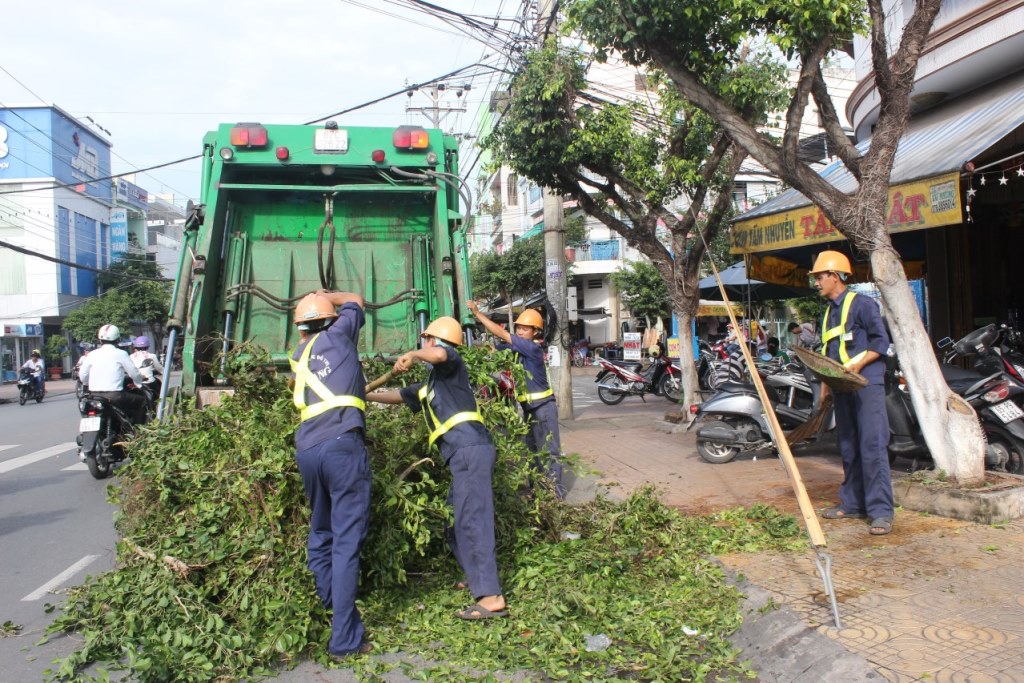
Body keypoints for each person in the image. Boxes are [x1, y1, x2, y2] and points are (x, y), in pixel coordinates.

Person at [366, 316, 508, 621]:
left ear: (433, 340)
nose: (422, 345)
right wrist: (361, 395)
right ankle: (475, 578)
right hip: (460, 455)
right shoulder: (431, 384)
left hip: (470, 449)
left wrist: (416, 354)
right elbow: (398, 397)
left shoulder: (450, 364)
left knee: (473, 522)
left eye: (424, 341)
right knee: (453, 521)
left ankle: (492, 596)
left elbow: (441, 354)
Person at [289, 290, 372, 659]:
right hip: (341, 447)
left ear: (300, 328)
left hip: (308, 451)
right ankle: (344, 639)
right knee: (345, 541)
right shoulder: (340, 334)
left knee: (321, 532)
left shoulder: (297, 357)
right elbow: (355, 298)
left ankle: (331, 602)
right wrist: (328, 295)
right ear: (330, 320)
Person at [810, 251, 894, 536]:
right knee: (847, 446)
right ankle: (853, 503)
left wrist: (857, 364)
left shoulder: (863, 305)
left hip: (866, 383)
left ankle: (881, 512)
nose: (817, 283)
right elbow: (827, 355)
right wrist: (825, 388)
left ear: (835, 276)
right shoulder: (828, 313)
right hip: (841, 387)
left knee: (872, 445)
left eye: (820, 277)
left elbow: (880, 343)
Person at [467, 301, 564, 498]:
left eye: (525, 328)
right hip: (530, 410)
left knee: (548, 453)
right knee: (533, 452)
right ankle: (538, 492)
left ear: (535, 332)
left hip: (544, 409)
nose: (520, 331)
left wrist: (478, 314)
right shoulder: (519, 350)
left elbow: (502, 335)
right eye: (518, 327)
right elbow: (496, 347)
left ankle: (555, 496)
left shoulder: (531, 348)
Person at [79, 325, 148, 426]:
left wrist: (86, 383)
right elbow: (133, 373)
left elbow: (83, 376)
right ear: (118, 340)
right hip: (115, 396)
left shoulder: (92, 354)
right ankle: (139, 433)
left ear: (100, 340)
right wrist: (139, 384)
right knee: (142, 401)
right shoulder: (121, 354)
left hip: (93, 396)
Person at [129, 336, 163, 404]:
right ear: (147, 346)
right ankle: (158, 403)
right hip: (149, 382)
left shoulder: (131, 356)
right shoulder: (151, 355)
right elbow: (159, 368)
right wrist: (165, 372)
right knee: (159, 386)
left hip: (136, 383)